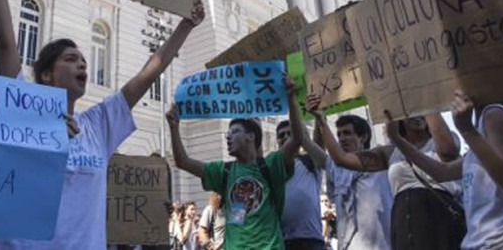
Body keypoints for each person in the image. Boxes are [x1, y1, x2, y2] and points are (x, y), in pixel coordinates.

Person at [0, 0, 205, 249]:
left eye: (84, 59)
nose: (83, 65)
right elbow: (5, 44)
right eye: (71, 59)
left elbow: (148, 74)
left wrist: (187, 26)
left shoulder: (97, 124)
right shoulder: (22, 110)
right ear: (45, 75)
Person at [387, 90, 503, 249]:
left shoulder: (494, 114)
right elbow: (442, 172)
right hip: (482, 243)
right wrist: (398, 140)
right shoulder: (482, 128)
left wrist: (466, 129)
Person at [307, 96, 462, 250]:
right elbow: (341, 158)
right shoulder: (389, 152)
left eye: (420, 110)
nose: (418, 114)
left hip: (439, 221)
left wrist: (424, 99)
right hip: (404, 226)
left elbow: (448, 152)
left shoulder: (442, 141)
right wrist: (320, 119)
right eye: (411, 110)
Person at [166, 78, 304, 249]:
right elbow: (182, 162)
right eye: (228, 132)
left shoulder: (271, 165)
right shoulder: (223, 171)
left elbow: (297, 138)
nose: (228, 136)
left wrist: (291, 99)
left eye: (235, 131)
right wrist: (173, 127)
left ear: (251, 136)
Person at [300, 98, 392, 250]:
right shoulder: (334, 166)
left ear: (363, 137)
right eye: (339, 134)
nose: (342, 138)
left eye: (347, 133)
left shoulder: (383, 161)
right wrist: (295, 102)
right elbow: (304, 141)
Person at [276, 120, 325, 250]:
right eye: (281, 135)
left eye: (290, 134)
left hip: (311, 241)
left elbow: (319, 142)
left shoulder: (309, 161)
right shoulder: (272, 167)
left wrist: (319, 116)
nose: (286, 137)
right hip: (282, 242)